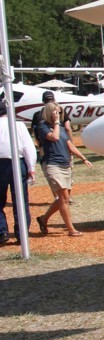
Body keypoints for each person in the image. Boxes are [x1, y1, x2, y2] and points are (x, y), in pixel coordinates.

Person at [33, 101, 91, 237]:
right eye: (55, 112)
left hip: (65, 164)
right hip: (52, 164)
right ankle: (71, 229)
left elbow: (70, 146)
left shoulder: (62, 129)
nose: (58, 115)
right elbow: (54, 137)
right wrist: (57, 123)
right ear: (49, 113)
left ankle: (43, 219)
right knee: (63, 197)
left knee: (63, 198)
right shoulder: (43, 127)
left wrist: (84, 158)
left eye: (59, 112)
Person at [0, 98, 37, 245]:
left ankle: (2, 231)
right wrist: (31, 167)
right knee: (21, 200)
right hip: (18, 161)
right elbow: (29, 147)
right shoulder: (19, 125)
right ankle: (22, 233)